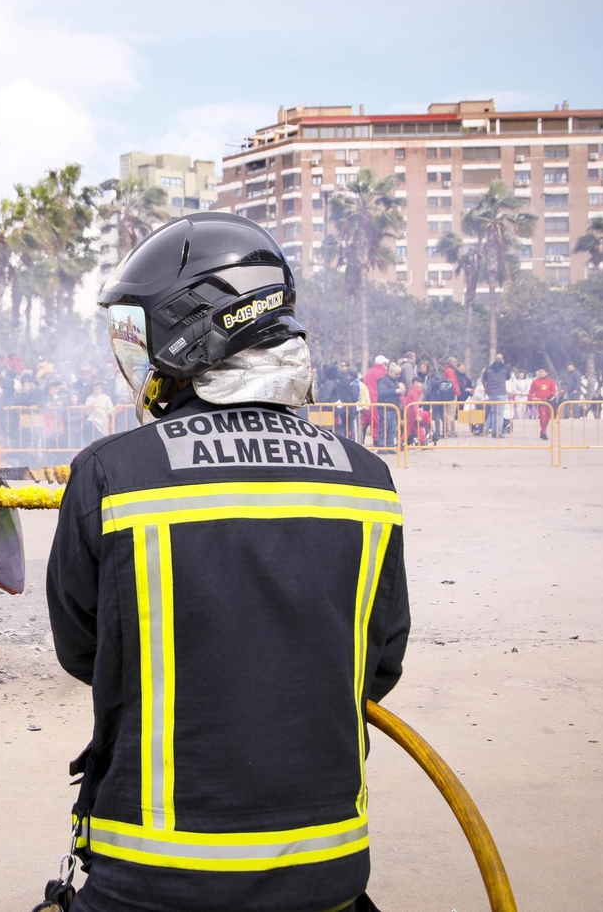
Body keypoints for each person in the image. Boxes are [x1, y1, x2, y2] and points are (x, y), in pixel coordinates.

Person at [49, 211, 409, 912]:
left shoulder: (111, 474)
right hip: (328, 870)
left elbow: (85, 652)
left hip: (150, 875)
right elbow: (380, 665)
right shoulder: (369, 480)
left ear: (190, 330)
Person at [481, 354, 509, 438]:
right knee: (500, 413)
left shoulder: (488, 369)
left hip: (491, 393)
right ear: (502, 360)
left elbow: (484, 379)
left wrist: (487, 388)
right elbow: (508, 377)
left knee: (493, 412)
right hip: (501, 392)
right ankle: (498, 432)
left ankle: (493, 431)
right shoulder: (505, 369)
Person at [527, 368, 557, 441]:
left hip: (549, 401)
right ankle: (544, 432)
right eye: (540, 372)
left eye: (543, 372)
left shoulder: (551, 381)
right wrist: (530, 400)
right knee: (543, 415)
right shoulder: (535, 382)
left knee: (547, 417)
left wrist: (550, 397)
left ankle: (543, 429)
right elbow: (531, 392)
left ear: (546, 373)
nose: (541, 373)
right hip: (539, 401)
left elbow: (554, 390)